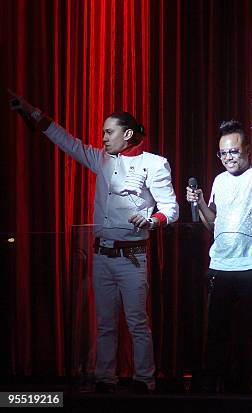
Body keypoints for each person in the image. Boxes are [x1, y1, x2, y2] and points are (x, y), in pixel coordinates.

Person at [8, 91, 179, 394]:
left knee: (138, 323)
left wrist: (152, 221)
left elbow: (172, 208)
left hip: (132, 257)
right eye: (103, 132)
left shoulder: (154, 164)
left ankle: (144, 380)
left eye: (108, 132)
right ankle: (105, 378)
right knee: (105, 324)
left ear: (127, 133)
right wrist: (31, 111)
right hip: (102, 255)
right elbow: (66, 140)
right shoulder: (100, 160)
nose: (103, 137)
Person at [186, 93, 252, 393]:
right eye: (223, 153)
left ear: (247, 150)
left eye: (234, 151)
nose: (228, 157)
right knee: (216, 334)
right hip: (221, 266)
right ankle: (210, 390)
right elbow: (212, 224)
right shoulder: (219, 181)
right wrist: (200, 202)